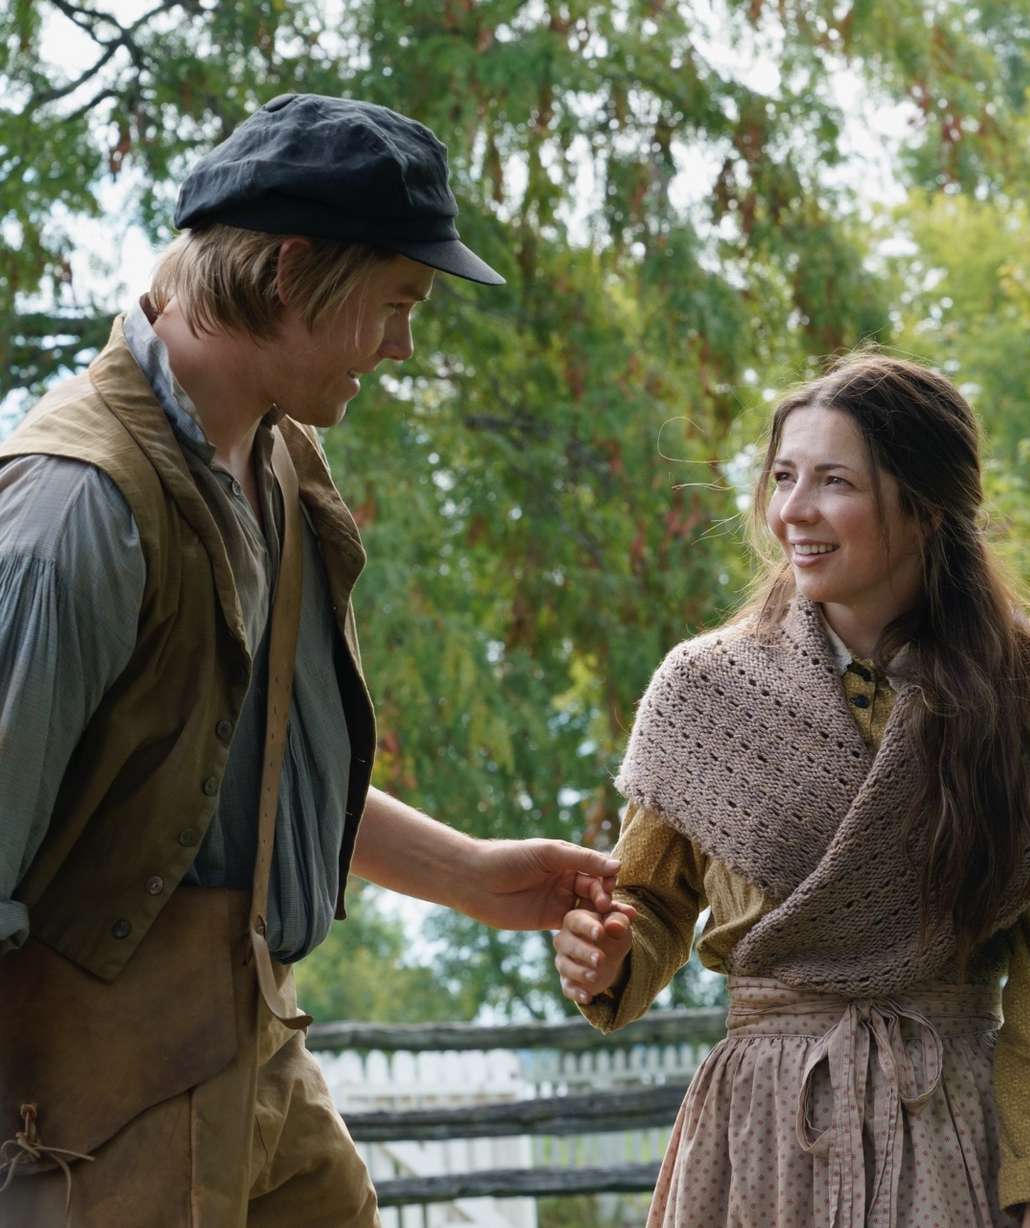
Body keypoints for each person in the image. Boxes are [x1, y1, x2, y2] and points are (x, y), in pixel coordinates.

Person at [0, 93, 624, 1226]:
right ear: (290, 272)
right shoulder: (77, 511)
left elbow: (222, 781)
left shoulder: (276, 462)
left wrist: (471, 875)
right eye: (394, 305)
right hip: (93, 1116)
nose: (402, 345)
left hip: (253, 1058)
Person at [554, 353, 1030, 1228]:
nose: (793, 510)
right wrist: (608, 954)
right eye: (784, 477)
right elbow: (646, 902)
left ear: (926, 505)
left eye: (835, 481)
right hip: (759, 1131)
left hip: (946, 1125)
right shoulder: (704, 689)